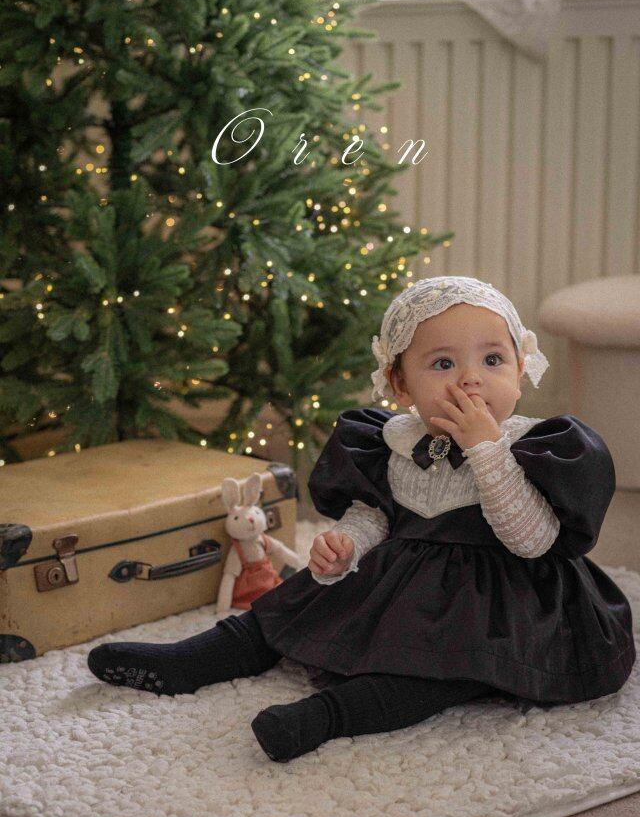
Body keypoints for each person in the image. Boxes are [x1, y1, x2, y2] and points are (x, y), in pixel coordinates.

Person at [87, 276, 636, 764]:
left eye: (493, 360)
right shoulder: (394, 442)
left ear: (520, 370)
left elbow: (532, 541)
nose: (471, 380)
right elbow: (374, 515)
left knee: (435, 668)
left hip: (500, 598)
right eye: (443, 364)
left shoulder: (534, 445)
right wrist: (346, 544)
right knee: (298, 603)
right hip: (406, 576)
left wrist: (486, 449)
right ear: (401, 386)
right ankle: (193, 660)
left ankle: (326, 716)